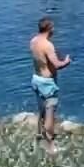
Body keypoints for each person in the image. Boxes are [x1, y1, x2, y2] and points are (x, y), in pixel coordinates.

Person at [30, 17, 71, 152]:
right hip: (47, 83)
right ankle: (51, 146)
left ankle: (39, 138)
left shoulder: (33, 41)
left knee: (41, 111)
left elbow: (43, 60)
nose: (54, 30)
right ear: (49, 28)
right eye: (53, 28)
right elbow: (57, 65)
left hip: (36, 79)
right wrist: (66, 61)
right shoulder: (48, 45)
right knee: (50, 115)